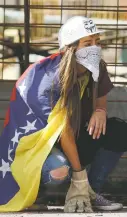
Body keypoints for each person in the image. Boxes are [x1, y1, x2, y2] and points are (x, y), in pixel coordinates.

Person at [0, 16, 127, 213]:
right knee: (59, 171)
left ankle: (92, 192)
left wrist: (100, 110)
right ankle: (45, 192)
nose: (95, 48)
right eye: (87, 43)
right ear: (71, 48)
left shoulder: (97, 66)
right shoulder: (49, 78)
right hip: (41, 143)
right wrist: (79, 175)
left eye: (97, 42)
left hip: (73, 135)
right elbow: (63, 130)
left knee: (120, 130)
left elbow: (101, 93)